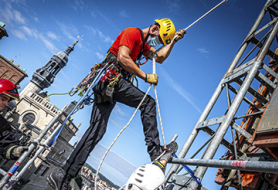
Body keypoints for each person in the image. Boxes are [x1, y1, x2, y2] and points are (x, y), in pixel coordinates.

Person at [48, 18, 186, 190]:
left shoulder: (143, 45)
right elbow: (122, 58)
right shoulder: (132, 33)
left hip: (108, 82)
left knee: (96, 130)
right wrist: (145, 76)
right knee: (148, 103)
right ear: (154, 29)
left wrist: (172, 42)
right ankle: (155, 151)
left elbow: (160, 58)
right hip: (112, 78)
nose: (156, 44)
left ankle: (64, 174)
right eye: (158, 40)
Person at [0, 79, 28, 160]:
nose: (6, 104)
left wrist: (14, 151)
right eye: (3, 99)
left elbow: (5, 146)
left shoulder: (3, 124)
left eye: (7, 101)